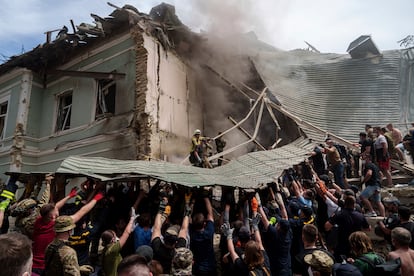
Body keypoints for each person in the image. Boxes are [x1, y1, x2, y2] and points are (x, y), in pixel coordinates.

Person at [325, 195, 370, 262]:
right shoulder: (360, 215)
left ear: (345, 203)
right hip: (355, 245)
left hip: (341, 244)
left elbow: (327, 227)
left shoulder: (339, 214)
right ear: (354, 204)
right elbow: (368, 228)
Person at [101, 207, 139, 276]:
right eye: (115, 236)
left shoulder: (107, 248)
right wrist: (132, 219)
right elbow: (126, 233)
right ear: (112, 240)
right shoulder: (112, 250)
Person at [190, 190, 216, 276]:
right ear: (204, 223)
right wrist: (206, 197)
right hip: (210, 266)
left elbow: (189, 217)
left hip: (198, 268)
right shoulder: (209, 232)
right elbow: (210, 214)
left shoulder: (191, 234)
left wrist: (192, 202)